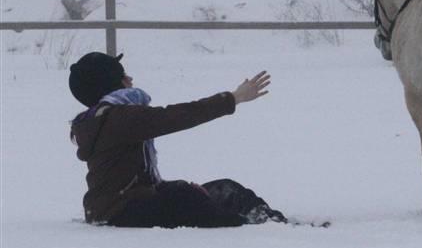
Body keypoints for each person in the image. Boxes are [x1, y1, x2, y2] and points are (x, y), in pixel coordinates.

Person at [68, 51, 286, 228]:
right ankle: (247, 228)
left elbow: (134, 181)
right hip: (121, 211)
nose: (131, 79)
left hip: (117, 207)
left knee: (221, 189)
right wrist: (234, 98)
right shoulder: (118, 118)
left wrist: (175, 187)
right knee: (189, 200)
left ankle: (269, 222)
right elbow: (176, 116)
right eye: (124, 75)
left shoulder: (105, 118)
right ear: (111, 83)